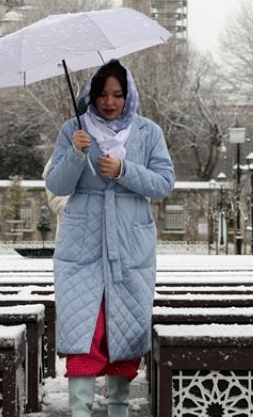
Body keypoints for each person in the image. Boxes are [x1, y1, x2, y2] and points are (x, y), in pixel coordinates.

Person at [46, 59, 175, 417]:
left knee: (126, 329)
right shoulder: (73, 129)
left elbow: (164, 182)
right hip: (82, 245)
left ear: (128, 95)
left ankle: (119, 408)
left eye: (118, 94)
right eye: (102, 94)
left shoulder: (149, 132)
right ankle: (80, 411)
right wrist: (76, 153)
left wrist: (124, 170)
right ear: (91, 94)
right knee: (85, 329)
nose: (109, 101)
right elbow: (56, 184)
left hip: (129, 244)